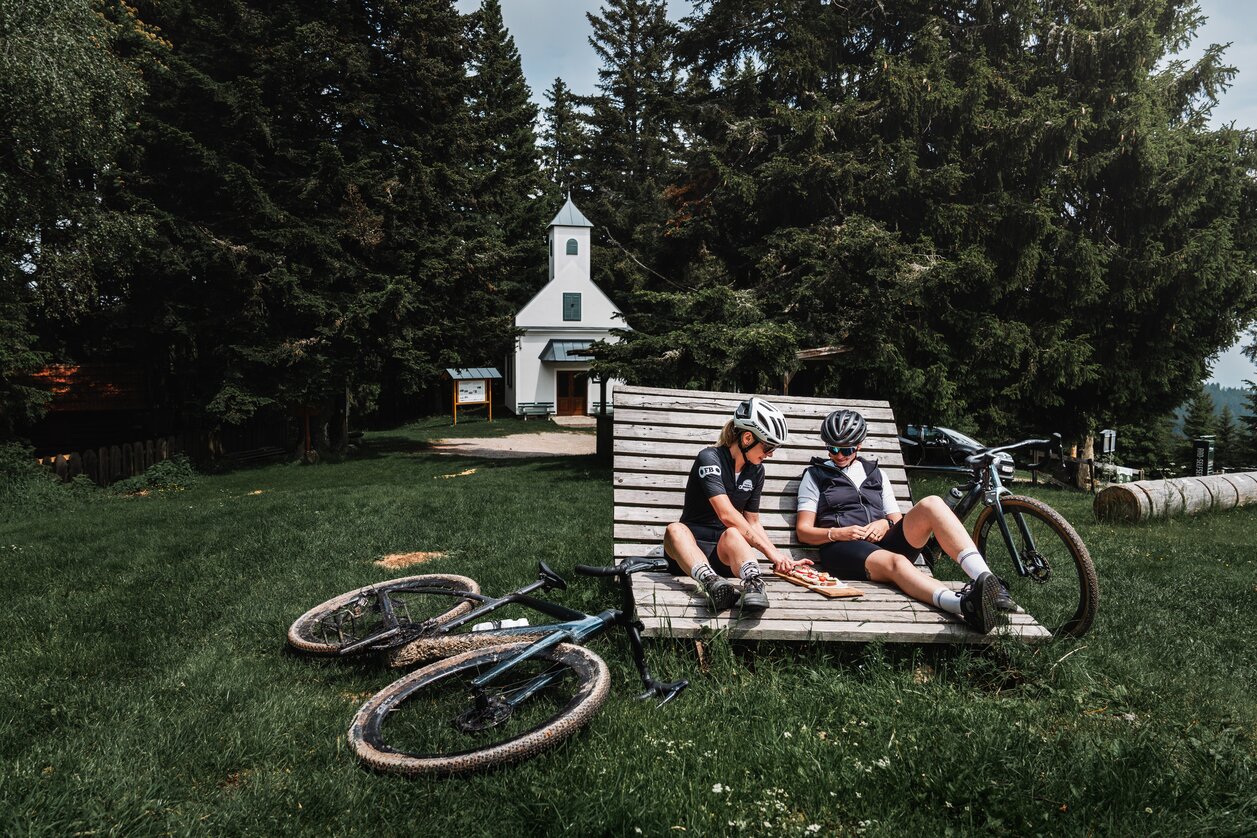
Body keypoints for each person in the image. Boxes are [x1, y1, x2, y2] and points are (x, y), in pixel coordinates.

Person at [794, 409, 1015, 633]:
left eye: (846, 449)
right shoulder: (815, 475)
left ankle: (990, 582)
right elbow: (803, 531)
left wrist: (885, 524)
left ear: (859, 445)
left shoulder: (876, 473)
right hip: (842, 549)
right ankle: (964, 605)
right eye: (833, 449)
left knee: (932, 503)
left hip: (883, 540)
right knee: (897, 561)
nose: (839, 455)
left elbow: (896, 520)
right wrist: (838, 533)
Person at [663, 397, 810, 613]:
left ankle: (754, 584)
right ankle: (712, 583)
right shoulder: (709, 458)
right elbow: (726, 514)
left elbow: (753, 522)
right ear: (747, 438)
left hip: (723, 553)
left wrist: (780, 557)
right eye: (768, 447)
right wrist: (770, 553)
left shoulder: (756, 470)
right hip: (688, 552)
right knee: (674, 529)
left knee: (733, 533)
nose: (770, 454)